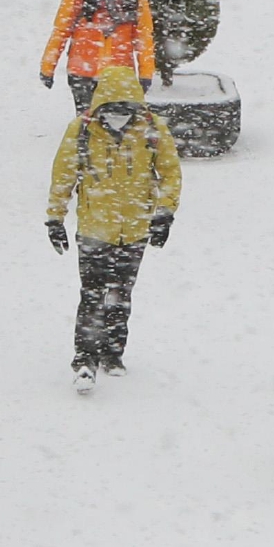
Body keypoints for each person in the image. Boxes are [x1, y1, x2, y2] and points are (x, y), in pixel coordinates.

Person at [45, 65, 182, 393]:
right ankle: (85, 358)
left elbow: (170, 173)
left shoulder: (151, 130)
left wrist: (164, 215)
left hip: (134, 231)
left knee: (121, 294)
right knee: (92, 295)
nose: (117, 117)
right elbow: (63, 174)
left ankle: (112, 353)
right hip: (95, 231)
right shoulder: (83, 131)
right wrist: (55, 218)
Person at [39, 0, 157, 113]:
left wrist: (146, 72)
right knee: (86, 123)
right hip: (82, 71)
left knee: (116, 124)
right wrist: (48, 66)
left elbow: (143, 33)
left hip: (120, 72)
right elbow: (62, 29)